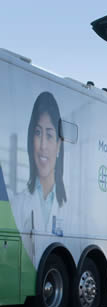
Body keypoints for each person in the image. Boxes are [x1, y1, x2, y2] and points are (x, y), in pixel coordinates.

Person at [12, 91, 67, 239]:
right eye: (37, 133)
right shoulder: (16, 205)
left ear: (58, 145)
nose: (42, 145)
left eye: (49, 135)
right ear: (31, 140)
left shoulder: (71, 211)